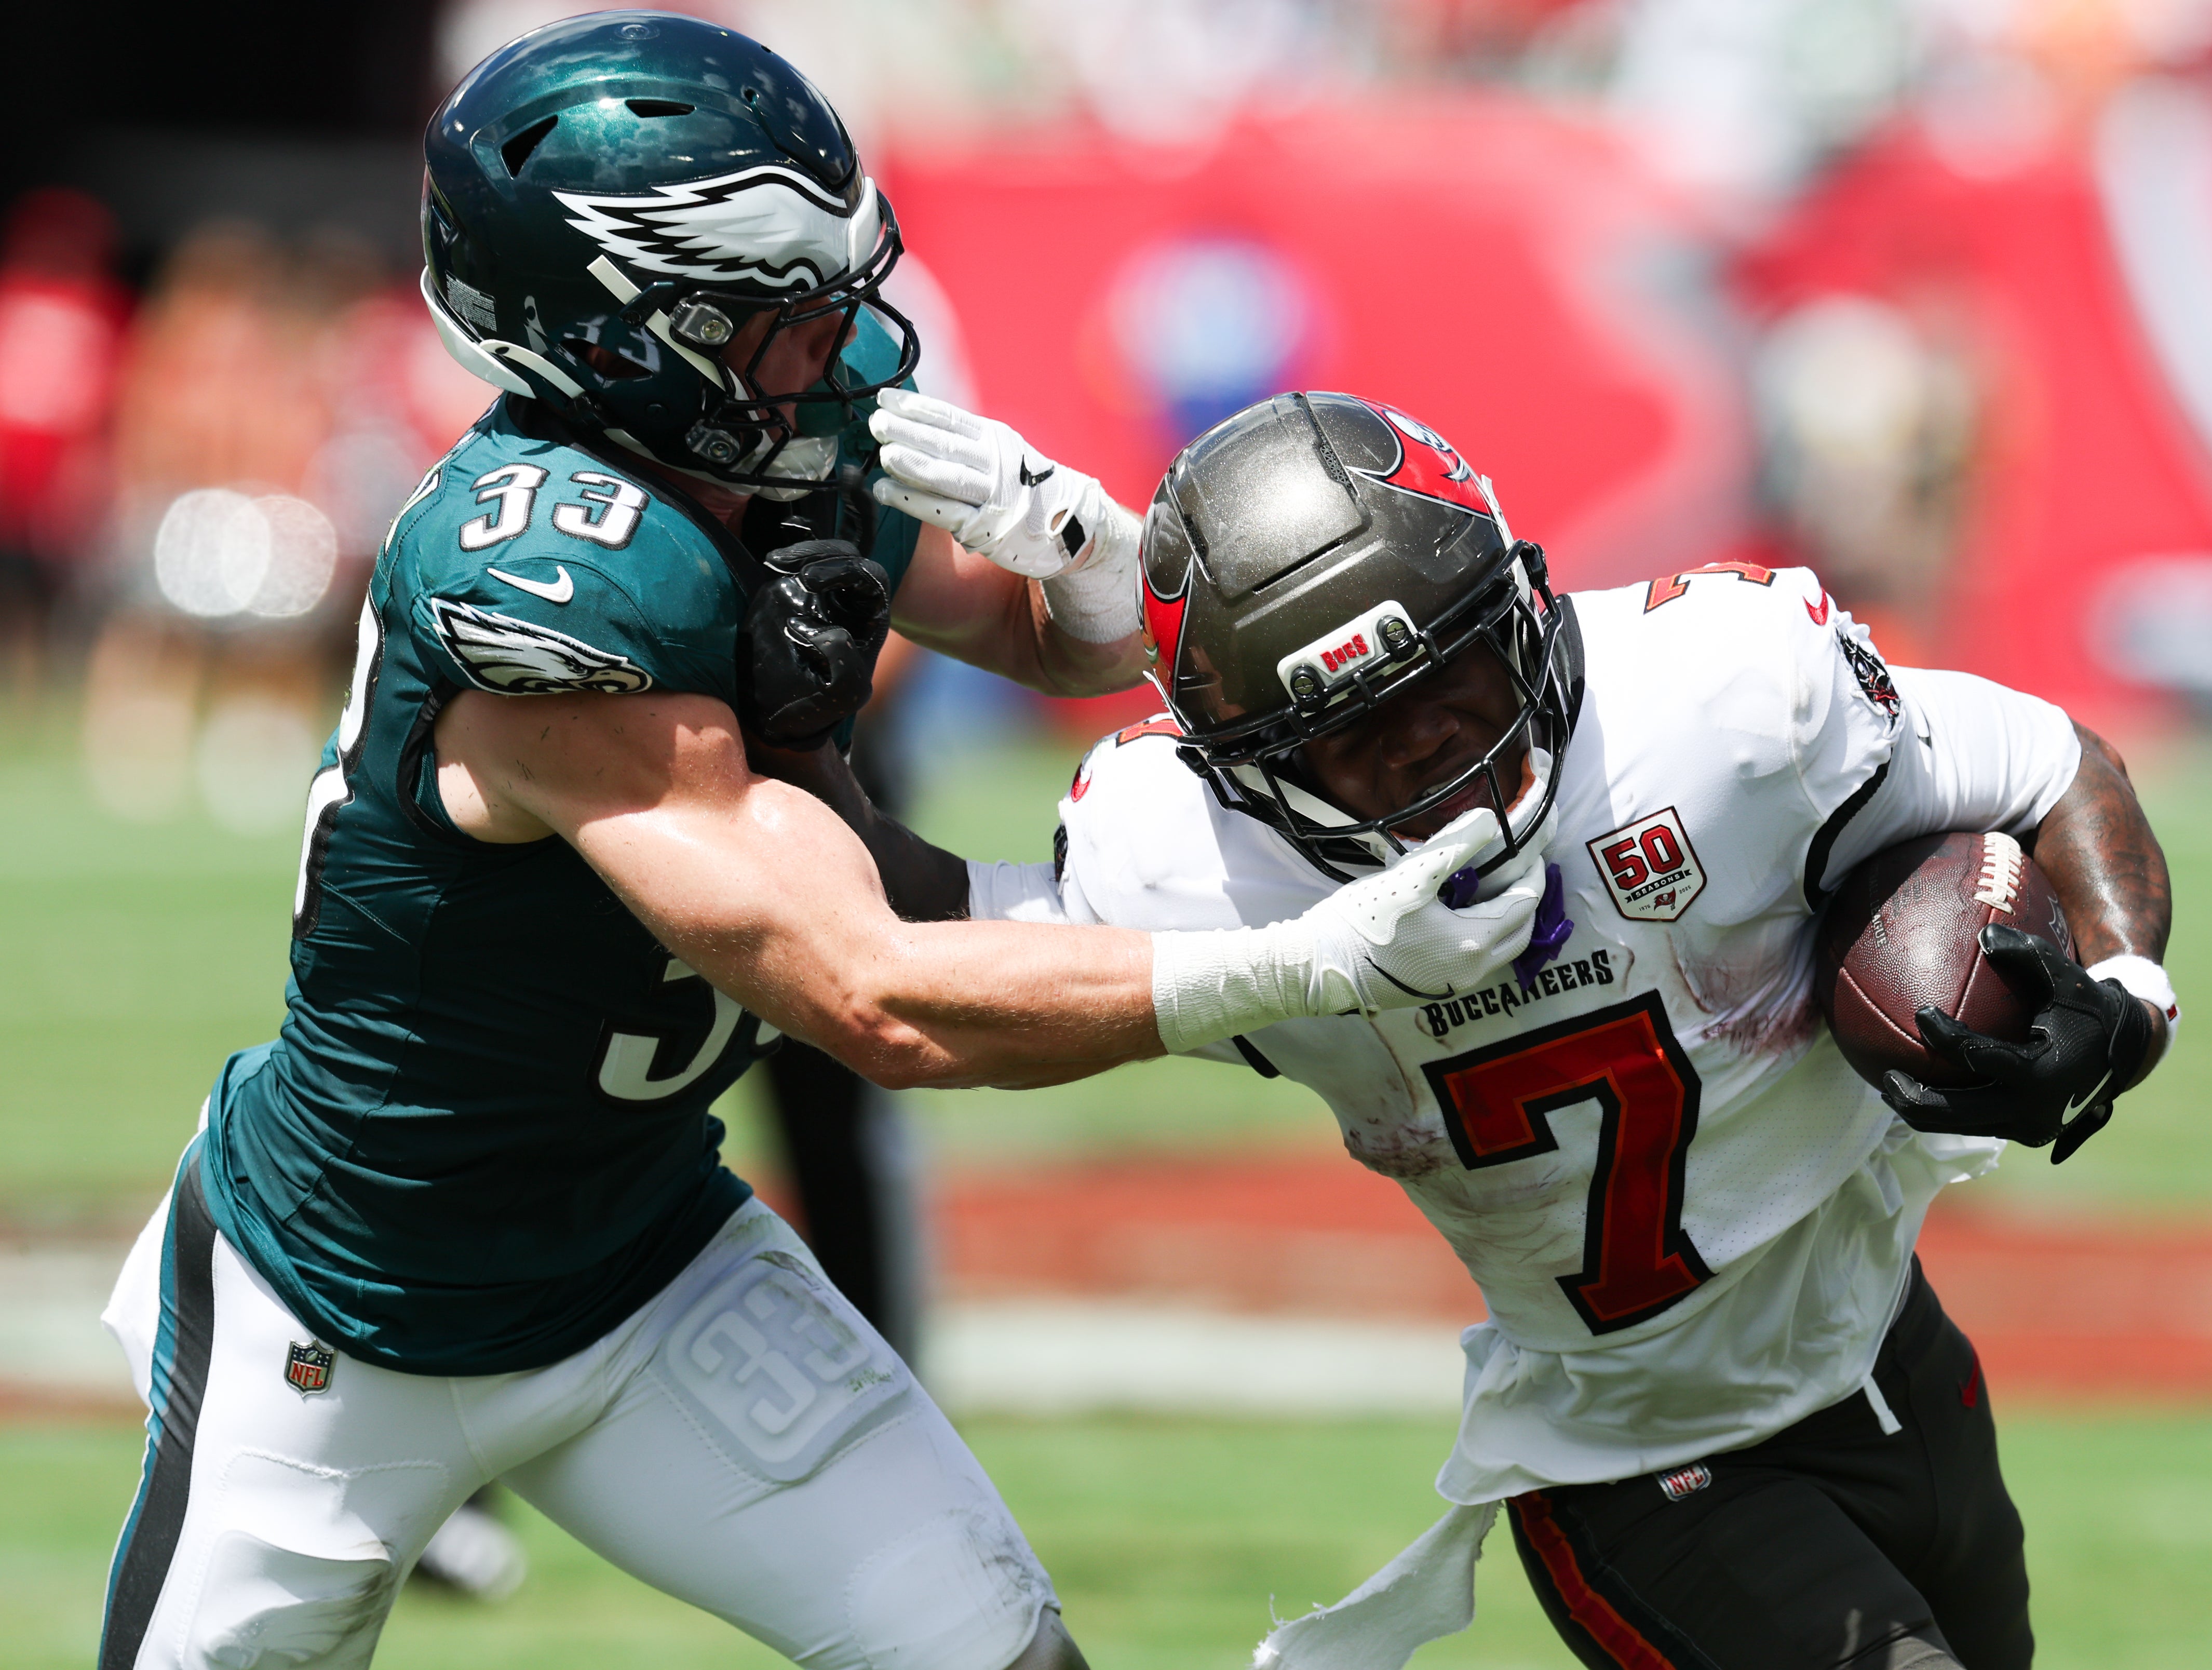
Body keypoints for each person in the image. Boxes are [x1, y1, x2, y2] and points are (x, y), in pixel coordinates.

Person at [92, 19, 1544, 1670]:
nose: (844, 348)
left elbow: (1051, 645)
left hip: (642, 1260)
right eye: (782, 318)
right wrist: (1298, 968)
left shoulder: (769, 446)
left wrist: (1080, 547)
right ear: (627, 334)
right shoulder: (546, 586)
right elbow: (874, 999)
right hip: (347, 1316)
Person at [949, 392, 2178, 1670]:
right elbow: (922, 971)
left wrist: (2129, 997)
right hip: (1633, 1469)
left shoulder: (1726, 699)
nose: (1435, 760)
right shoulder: (1195, 866)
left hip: (1895, 1357)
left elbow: (2048, 763)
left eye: (1455, 686)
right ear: (1246, 771)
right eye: (1356, 741)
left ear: (1520, 612)